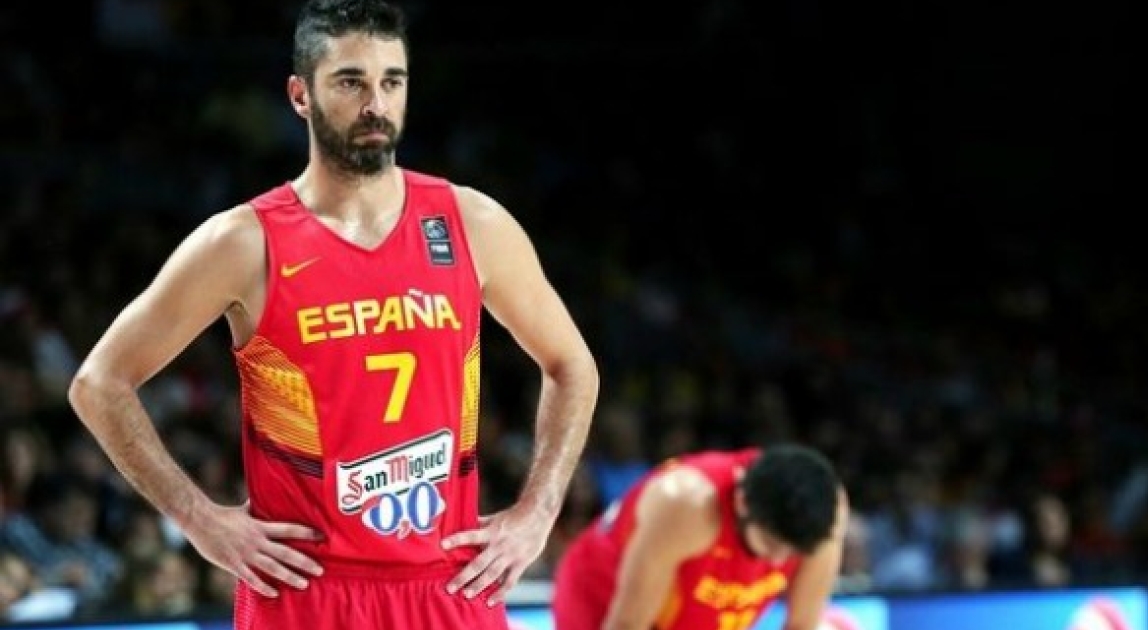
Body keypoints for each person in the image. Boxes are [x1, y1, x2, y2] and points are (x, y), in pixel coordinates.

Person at [66, 0, 600, 628]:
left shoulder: (471, 223)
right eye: (351, 82)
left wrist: (538, 512)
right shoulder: (243, 242)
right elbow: (98, 383)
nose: (376, 103)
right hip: (307, 592)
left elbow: (573, 366)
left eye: (392, 82)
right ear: (301, 95)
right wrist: (199, 520)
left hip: (449, 586)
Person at [552, 443, 849, 630]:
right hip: (604, 597)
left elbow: (802, 624)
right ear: (741, 504)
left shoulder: (826, 513)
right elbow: (627, 624)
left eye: (792, 552)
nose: (778, 561)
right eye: (772, 545)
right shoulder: (687, 504)